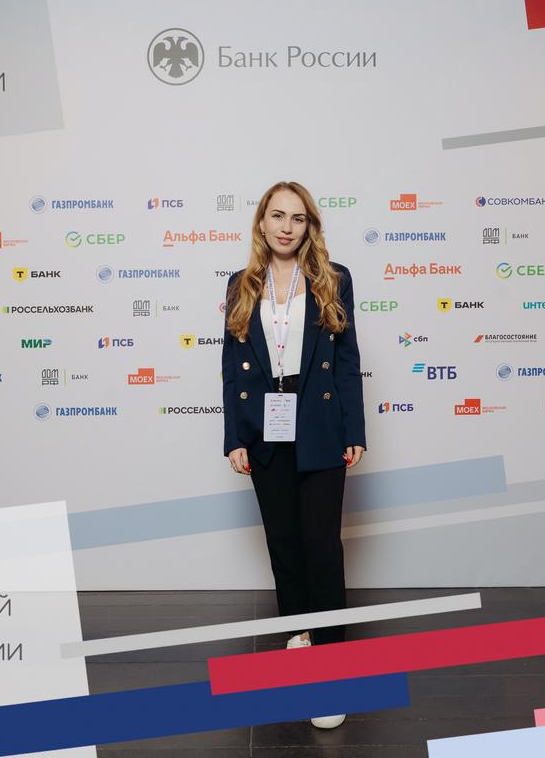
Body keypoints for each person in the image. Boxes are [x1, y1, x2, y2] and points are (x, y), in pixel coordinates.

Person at [221, 181, 366, 730]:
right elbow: (231, 368)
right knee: (283, 544)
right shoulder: (241, 284)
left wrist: (354, 429)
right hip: (264, 426)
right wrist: (235, 437)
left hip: (319, 423)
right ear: (261, 222)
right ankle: (301, 634)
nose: (287, 227)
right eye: (278, 216)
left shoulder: (334, 279)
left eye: (298, 218)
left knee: (321, 547)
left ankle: (331, 664)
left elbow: (347, 360)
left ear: (310, 227)